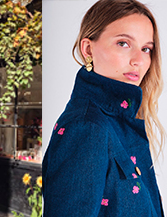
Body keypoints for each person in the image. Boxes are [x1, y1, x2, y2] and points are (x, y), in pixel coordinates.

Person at [42, 0, 165, 216]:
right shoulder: (86, 127)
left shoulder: (121, 121)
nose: (139, 60)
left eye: (146, 49)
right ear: (88, 49)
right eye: (123, 43)